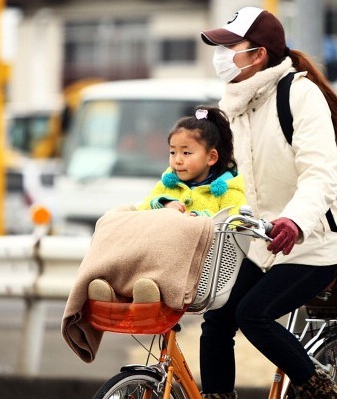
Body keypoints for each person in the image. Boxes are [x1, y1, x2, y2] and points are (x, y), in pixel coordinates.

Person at [198, 6, 337, 399]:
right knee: (217, 322)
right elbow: (227, 175)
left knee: (253, 313)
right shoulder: (236, 104)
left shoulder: (299, 94)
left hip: (315, 244)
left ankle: (321, 387)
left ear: (258, 54)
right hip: (265, 243)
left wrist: (294, 221)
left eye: (229, 47)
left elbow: (319, 175)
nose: (221, 56)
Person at [88, 106, 246, 304]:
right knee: (116, 217)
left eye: (186, 153)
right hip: (154, 256)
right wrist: (163, 205)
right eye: (173, 152)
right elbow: (144, 208)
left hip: (196, 266)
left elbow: (233, 220)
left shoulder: (228, 190)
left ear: (211, 157)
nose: (177, 160)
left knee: (178, 230)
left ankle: (149, 290)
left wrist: (199, 218)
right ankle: (115, 288)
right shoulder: (168, 183)